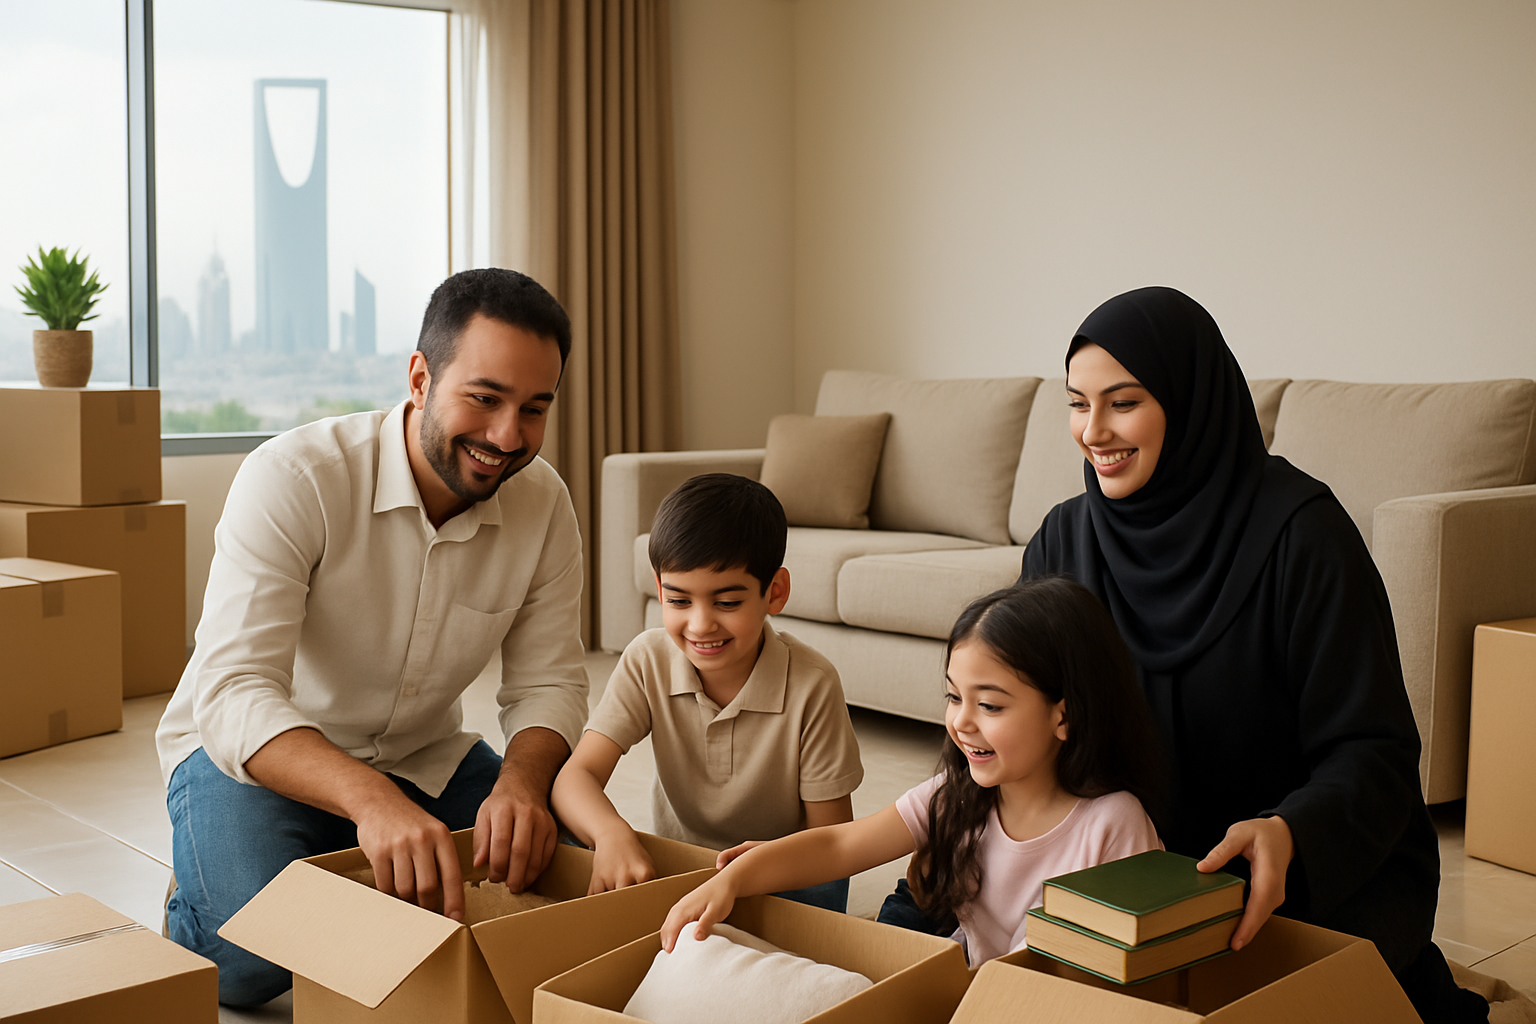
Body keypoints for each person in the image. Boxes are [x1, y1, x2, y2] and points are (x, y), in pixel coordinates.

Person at [1017, 286, 1486, 1021]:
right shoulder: (1062, 543)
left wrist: (1291, 831)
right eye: (1077, 404)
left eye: (1123, 402)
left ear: (1189, 401)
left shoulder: (1305, 537)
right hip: (1131, 884)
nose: (1093, 431)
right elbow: (1020, 721)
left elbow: (1374, 752)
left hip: (1300, 881)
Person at [155, 268, 591, 1007]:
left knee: (572, 885)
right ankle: (198, 901)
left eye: (534, 409)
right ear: (420, 379)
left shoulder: (544, 504)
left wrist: (521, 785)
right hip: (253, 758)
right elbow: (233, 694)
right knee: (253, 962)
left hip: (425, 759)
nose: (507, 436)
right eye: (484, 399)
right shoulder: (294, 477)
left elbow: (550, 682)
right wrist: (371, 802)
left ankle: (340, 861)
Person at [660, 577, 1165, 965]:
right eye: (954, 697)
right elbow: (841, 845)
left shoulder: (1113, 824)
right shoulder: (959, 794)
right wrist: (734, 880)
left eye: (990, 705)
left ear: (1064, 716)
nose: (961, 722)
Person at [551, 473, 864, 910]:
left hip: (780, 875)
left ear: (774, 593)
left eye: (727, 603)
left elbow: (833, 840)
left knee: (823, 894)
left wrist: (754, 871)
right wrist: (610, 833)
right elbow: (574, 778)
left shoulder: (813, 683)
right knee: (561, 833)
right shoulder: (647, 659)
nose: (700, 626)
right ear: (659, 590)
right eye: (679, 601)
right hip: (682, 869)